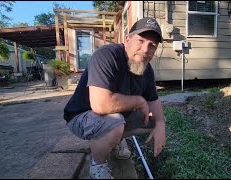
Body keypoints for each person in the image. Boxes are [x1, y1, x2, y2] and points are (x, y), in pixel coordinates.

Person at [63, 17, 166, 179]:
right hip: (81, 117)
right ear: (127, 40)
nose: (146, 49)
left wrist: (160, 125)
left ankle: (113, 140)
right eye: (140, 40)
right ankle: (98, 165)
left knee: (151, 120)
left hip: (113, 117)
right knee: (114, 122)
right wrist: (139, 101)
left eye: (152, 45)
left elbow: (154, 101)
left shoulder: (146, 69)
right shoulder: (106, 55)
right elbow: (100, 105)